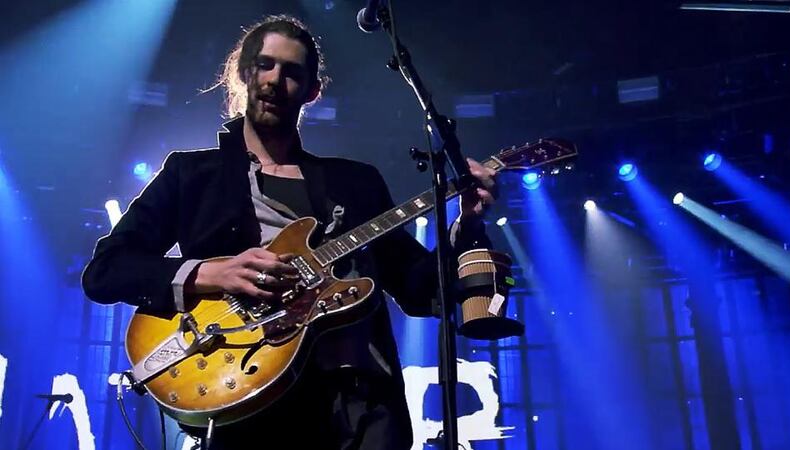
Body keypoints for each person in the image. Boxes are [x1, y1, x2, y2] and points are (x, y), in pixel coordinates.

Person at [82, 14, 497, 450]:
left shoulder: (354, 183)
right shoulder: (191, 175)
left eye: (292, 72)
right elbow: (106, 270)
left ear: (313, 90)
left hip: (359, 408)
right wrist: (210, 273)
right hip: (248, 400)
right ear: (243, 73)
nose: (275, 81)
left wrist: (468, 223)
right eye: (264, 65)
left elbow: (418, 288)